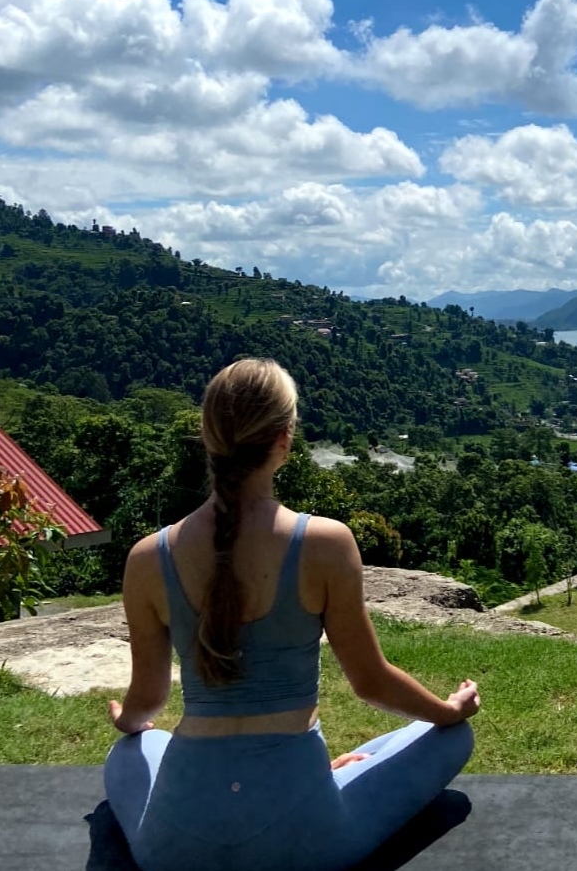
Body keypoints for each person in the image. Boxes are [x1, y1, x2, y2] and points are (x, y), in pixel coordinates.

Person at [103, 358, 479, 871]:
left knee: (130, 749)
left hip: (174, 850)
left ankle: (322, 777)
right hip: (305, 843)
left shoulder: (149, 557)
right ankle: (327, 778)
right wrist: (449, 710)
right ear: (285, 440)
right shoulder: (324, 543)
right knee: (449, 735)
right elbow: (370, 683)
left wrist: (127, 721)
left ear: (208, 437)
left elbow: (149, 698)